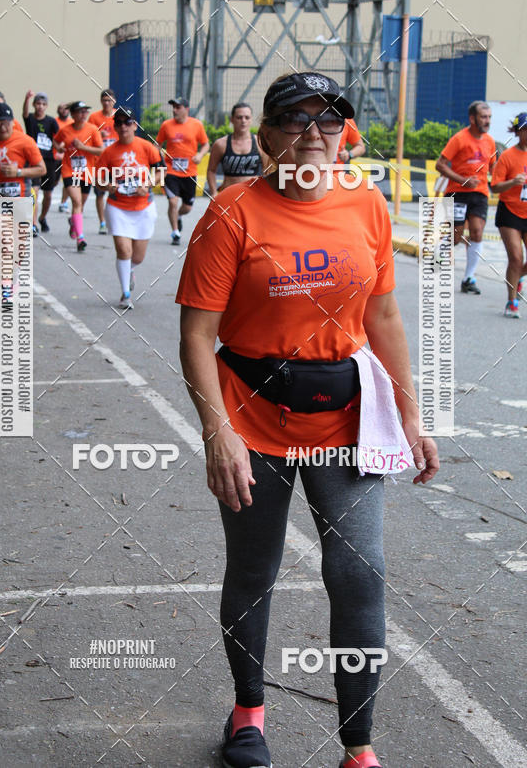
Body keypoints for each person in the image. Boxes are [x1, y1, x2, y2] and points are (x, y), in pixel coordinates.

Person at [177, 71, 439, 768]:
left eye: (328, 122)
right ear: (266, 137)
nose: (313, 134)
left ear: (344, 137)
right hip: (252, 417)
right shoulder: (231, 212)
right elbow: (197, 336)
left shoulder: (367, 205)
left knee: (361, 575)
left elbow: (382, 315)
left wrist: (413, 416)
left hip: (343, 421)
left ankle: (359, 746)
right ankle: (248, 715)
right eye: (296, 120)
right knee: (254, 568)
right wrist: (217, 433)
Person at [96, 106, 163, 308]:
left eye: (127, 122)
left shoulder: (147, 148)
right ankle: (126, 294)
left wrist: (148, 184)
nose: (123, 126)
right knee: (123, 251)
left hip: (143, 207)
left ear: (135, 125)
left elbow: (161, 172)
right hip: (117, 206)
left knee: (138, 257)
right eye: (119, 123)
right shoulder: (108, 152)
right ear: (115, 127)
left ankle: (129, 269)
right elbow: (97, 179)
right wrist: (108, 185)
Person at [435, 101, 496, 294]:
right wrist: (462, 180)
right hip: (457, 193)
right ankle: (438, 254)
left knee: (477, 232)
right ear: (472, 118)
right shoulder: (459, 139)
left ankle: (469, 277)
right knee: (456, 236)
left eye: (489, 117)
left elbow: (493, 167)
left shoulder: (490, 141)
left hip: (480, 194)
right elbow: (440, 165)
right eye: (483, 117)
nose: (487, 121)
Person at [0, 103, 45, 265]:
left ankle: (13, 282)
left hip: (22, 196)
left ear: (13, 122)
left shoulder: (25, 142)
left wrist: (18, 173)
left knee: (19, 251)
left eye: (6, 122)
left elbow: (42, 169)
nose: (2, 127)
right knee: (4, 245)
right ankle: (5, 287)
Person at [156, 96, 209, 244]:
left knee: (187, 207)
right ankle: (175, 232)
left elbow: (205, 144)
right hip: (171, 171)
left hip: (189, 172)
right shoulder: (166, 125)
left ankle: (178, 216)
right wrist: (157, 159)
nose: (174, 110)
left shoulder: (196, 125)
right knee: (173, 201)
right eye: (173, 107)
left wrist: (200, 154)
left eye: (178, 107)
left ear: (186, 109)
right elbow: (157, 144)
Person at [490, 112, 527, 318]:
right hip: (510, 212)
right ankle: (511, 302)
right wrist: (512, 182)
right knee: (516, 257)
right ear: (518, 131)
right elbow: (495, 187)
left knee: (518, 264)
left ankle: (517, 276)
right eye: (526, 129)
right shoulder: (508, 156)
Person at [53, 101, 103, 252]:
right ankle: (80, 238)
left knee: (81, 204)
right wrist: (59, 147)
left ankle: (74, 223)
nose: (83, 114)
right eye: (80, 112)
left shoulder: (93, 130)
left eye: (85, 111)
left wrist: (83, 147)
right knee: (76, 201)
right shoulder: (66, 130)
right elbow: (56, 141)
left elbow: (101, 151)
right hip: (70, 171)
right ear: (73, 114)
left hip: (86, 172)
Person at [206, 102, 265, 197]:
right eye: (239, 117)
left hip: (253, 196)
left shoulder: (260, 143)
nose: (243, 121)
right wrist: (213, 192)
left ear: (251, 120)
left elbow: (269, 171)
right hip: (229, 196)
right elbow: (211, 171)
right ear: (232, 119)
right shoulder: (221, 144)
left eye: (247, 117)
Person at [22, 91, 59, 233]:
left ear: (46, 106)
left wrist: (60, 148)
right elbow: (24, 113)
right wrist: (26, 99)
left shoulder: (51, 121)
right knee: (34, 192)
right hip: (33, 160)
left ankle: (43, 217)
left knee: (48, 194)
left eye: (43, 104)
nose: (40, 107)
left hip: (49, 161)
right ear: (34, 105)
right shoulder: (30, 118)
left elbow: (57, 137)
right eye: (38, 104)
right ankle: (34, 223)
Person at [89, 88, 118, 235]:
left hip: (116, 162)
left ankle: (115, 220)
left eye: (109, 100)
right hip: (100, 161)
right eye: (104, 100)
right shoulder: (94, 118)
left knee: (116, 191)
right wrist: (99, 134)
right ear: (101, 101)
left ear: (114, 101)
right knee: (100, 192)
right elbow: (87, 135)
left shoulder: (120, 116)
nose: (107, 103)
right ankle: (102, 221)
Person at [55, 103, 72, 213]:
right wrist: (58, 149)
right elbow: (53, 139)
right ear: (58, 110)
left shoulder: (72, 122)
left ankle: (63, 202)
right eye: (62, 108)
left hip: (68, 156)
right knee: (55, 181)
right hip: (55, 156)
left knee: (67, 180)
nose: (64, 110)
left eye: (66, 109)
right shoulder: (55, 122)